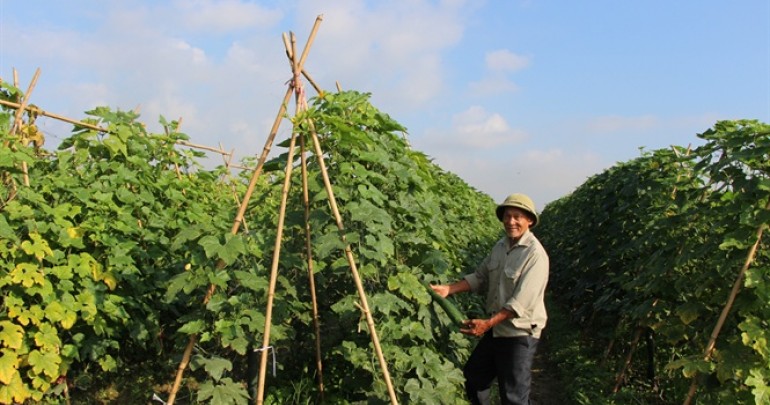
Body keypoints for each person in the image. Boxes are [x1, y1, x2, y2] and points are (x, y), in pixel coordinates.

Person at [431, 193, 549, 405]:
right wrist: (449, 289)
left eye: (517, 217)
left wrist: (487, 324)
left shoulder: (535, 255)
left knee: (513, 396)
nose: (511, 221)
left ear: (529, 220)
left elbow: (520, 303)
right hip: (497, 329)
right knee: (474, 377)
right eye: (507, 216)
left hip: (519, 333)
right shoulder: (500, 246)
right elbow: (480, 276)